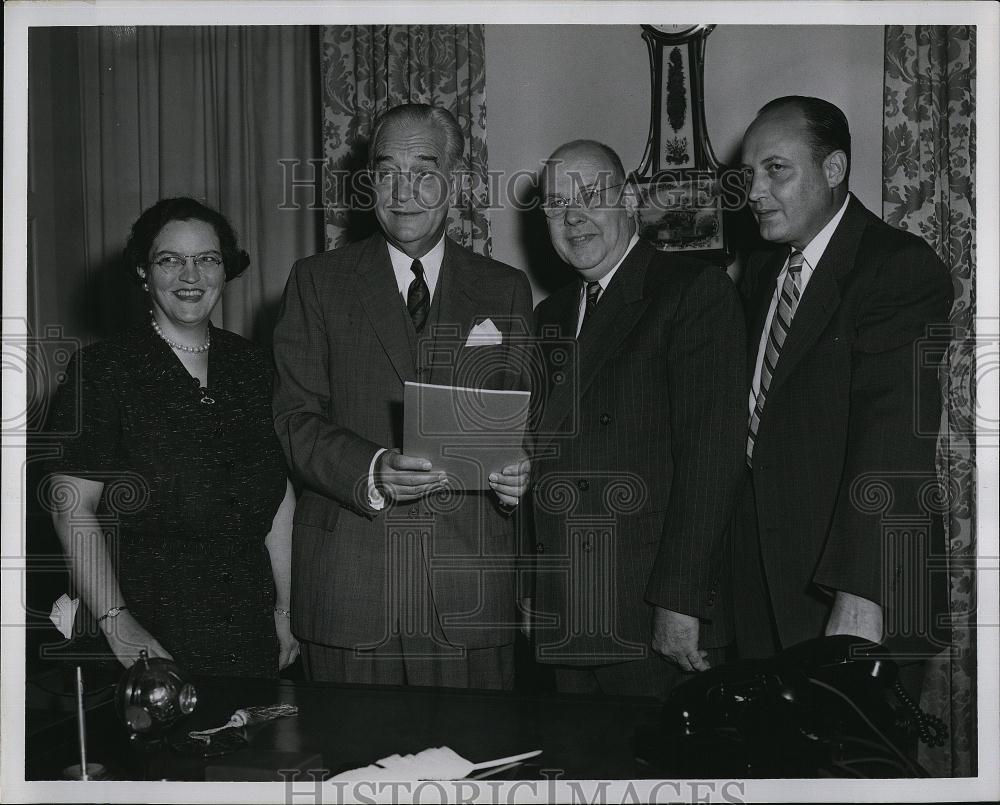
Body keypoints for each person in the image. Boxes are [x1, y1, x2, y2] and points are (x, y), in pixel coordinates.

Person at [271, 103, 533, 688]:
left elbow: (524, 421)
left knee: (478, 749)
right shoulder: (317, 281)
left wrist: (520, 472)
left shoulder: (505, 288)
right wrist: (372, 469)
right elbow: (292, 418)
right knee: (351, 750)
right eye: (387, 172)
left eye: (424, 171)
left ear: (457, 181)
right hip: (351, 589)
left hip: (470, 592)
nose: (403, 191)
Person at [734, 96, 953, 672]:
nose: (754, 191)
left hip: (855, 588)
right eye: (749, 173)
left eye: (775, 169)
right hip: (766, 588)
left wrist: (862, 595)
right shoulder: (762, 268)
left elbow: (893, 441)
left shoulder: (897, 266)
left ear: (833, 169)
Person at [529, 140, 746, 698]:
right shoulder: (549, 315)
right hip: (568, 611)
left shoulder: (692, 291)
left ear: (628, 199)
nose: (573, 218)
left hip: (653, 615)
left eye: (590, 196)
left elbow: (711, 462)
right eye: (556, 205)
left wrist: (680, 601)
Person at [46, 197, 299, 677]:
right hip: (146, 630)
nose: (191, 275)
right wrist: (118, 624)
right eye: (170, 260)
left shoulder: (253, 366)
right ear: (144, 272)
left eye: (207, 259)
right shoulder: (103, 370)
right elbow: (70, 507)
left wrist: (286, 611)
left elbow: (278, 498)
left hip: (247, 627)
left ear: (225, 271)